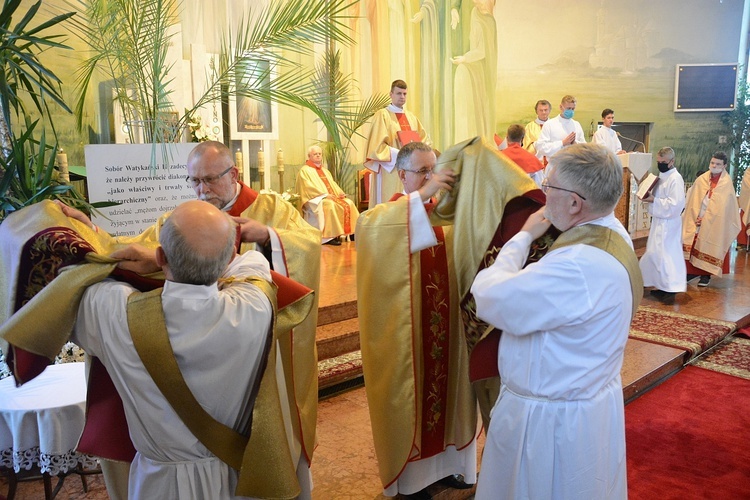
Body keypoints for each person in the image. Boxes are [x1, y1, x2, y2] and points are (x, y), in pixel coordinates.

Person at [58, 141, 321, 498]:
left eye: (209, 180)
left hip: (261, 359)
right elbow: (133, 249)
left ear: (234, 175)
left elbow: (309, 245)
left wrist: (268, 236)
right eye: (193, 181)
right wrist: (95, 233)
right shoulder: (183, 218)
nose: (201, 190)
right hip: (219, 346)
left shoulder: (272, 209)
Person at [470, 143, 643, 500]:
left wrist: (522, 237)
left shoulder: (577, 265)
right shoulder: (615, 234)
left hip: (548, 425)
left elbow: (487, 295)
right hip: (586, 407)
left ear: (576, 202)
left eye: (549, 186)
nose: (545, 194)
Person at [72, 200, 274, 498]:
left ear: (161, 255)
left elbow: (69, 276)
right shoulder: (254, 306)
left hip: (158, 483)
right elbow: (252, 264)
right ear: (231, 254)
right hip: (234, 478)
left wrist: (89, 234)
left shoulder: (116, 313)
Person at [357, 141, 478, 499]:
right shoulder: (383, 218)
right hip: (408, 338)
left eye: (433, 169)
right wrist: (423, 195)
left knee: (453, 390)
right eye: (423, 171)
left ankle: (457, 464)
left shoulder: (451, 215)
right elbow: (371, 234)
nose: (431, 177)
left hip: (451, 334)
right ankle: (411, 479)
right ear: (403, 174)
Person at [363, 79, 432, 208]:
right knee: (392, 204)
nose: (402, 97)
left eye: (405, 94)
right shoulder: (382, 115)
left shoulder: (411, 117)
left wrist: (419, 155)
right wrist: (402, 155)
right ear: (391, 94)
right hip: (391, 169)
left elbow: (423, 140)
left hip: (411, 170)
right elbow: (377, 147)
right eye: (399, 93)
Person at [682, 151, 741, 287]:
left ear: (724, 165)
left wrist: (706, 219)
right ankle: (691, 272)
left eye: (718, 164)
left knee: (707, 244)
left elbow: (725, 209)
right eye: (712, 163)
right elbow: (692, 200)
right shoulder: (701, 179)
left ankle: (705, 275)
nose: (714, 166)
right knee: (691, 243)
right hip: (696, 216)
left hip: (714, 221)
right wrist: (695, 216)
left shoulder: (726, 184)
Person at [639, 147, 686, 304]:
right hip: (659, 221)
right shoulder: (662, 175)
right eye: (658, 162)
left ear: (672, 161)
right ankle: (660, 285)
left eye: (663, 162)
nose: (660, 165)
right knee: (655, 253)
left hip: (669, 223)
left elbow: (676, 205)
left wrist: (654, 200)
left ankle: (670, 288)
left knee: (667, 255)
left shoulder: (675, 179)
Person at [295, 145, 359, 245]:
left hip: (330, 197)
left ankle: (352, 232)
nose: (318, 156)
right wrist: (324, 195)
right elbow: (307, 188)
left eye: (319, 154)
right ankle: (329, 237)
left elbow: (332, 184)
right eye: (315, 154)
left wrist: (340, 193)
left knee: (349, 202)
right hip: (315, 200)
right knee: (329, 205)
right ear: (309, 156)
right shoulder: (304, 171)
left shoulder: (325, 171)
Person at [534, 95, 586, 173]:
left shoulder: (576, 125)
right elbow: (541, 147)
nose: (571, 111)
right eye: (568, 108)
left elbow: (584, 147)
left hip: (573, 168)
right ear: (561, 107)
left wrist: (575, 143)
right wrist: (562, 143)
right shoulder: (550, 124)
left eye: (573, 109)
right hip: (555, 168)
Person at [499, 124, 545, 188]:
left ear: (507, 137)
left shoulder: (497, 158)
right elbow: (539, 188)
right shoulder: (532, 160)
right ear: (523, 138)